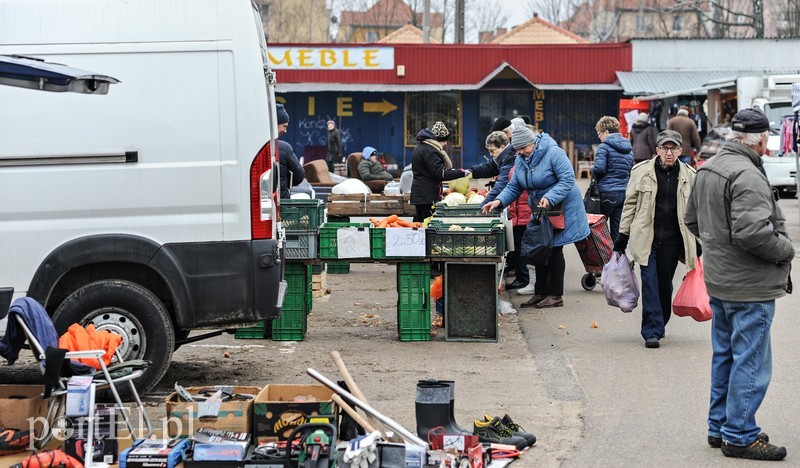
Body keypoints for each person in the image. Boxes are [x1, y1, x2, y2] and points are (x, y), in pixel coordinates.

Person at [685, 108, 794, 461]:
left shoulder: (711, 167)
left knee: (727, 357)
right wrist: (786, 250)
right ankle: (740, 434)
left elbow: (692, 219)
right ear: (761, 139)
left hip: (721, 280)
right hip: (749, 285)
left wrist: (718, 247)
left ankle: (720, 427)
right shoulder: (747, 174)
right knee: (750, 362)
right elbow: (753, 233)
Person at [483, 125, 589, 309]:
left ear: (533, 142)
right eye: (519, 150)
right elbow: (514, 186)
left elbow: (567, 179)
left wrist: (550, 197)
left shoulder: (553, 152)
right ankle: (540, 292)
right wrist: (499, 201)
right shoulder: (521, 159)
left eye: (524, 148)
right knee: (541, 247)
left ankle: (555, 295)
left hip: (561, 206)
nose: (522, 152)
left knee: (554, 248)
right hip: (542, 207)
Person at [613, 130, 698, 349]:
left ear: (680, 150)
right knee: (650, 283)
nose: (669, 153)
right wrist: (623, 235)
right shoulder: (641, 172)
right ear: (657, 150)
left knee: (664, 285)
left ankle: (660, 321)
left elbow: (696, 210)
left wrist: (697, 240)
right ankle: (652, 330)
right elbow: (629, 204)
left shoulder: (690, 175)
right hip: (646, 238)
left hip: (672, 241)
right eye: (664, 148)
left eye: (673, 148)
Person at [410, 121, 469, 222]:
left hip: (420, 194)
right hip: (426, 195)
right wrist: (461, 173)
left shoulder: (421, 147)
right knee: (427, 224)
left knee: (420, 224)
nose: (446, 143)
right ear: (438, 140)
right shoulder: (431, 151)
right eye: (444, 140)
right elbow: (439, 174)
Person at [591, 116, 633, 241]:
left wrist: (591, 169)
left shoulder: (603, 147)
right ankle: (619, 258)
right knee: (617, 230)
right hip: (624, 193)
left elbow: (599, 169)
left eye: (599, 133)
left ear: (606, 132)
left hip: (607, 193)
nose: (599, 137)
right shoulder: (628, 148)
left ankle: (606, 257)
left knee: (601, 229)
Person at [275, 104, 305, 199]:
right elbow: (299, 175)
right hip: (282, 202)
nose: (285, 130)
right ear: (275, 123)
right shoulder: (284, 147)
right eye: (284, 126)